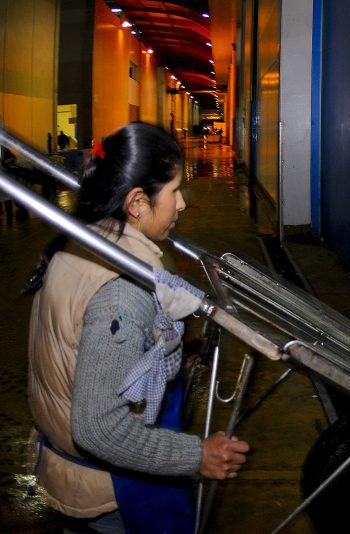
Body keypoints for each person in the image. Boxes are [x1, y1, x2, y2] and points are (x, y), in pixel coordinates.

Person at [26, 123, 250, 533]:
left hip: (67, 468)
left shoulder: (85, 240)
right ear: (136, 203)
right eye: (175, 191)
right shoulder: (122, 293)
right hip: (110, 491)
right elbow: (97, 428)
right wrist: (197, 455)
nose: (182, 204)